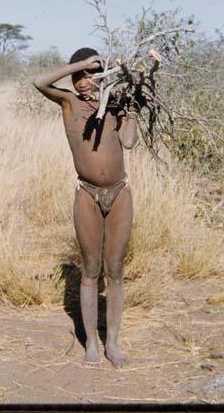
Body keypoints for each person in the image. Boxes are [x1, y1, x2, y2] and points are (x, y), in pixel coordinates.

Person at [33, 47, 139, 367]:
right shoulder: (69, 103)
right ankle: (91, 342)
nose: (82, 82)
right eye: (78, 76)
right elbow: (39, 81)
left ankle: (114, 343)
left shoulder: (116, 105)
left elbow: (130, 142)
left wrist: (131, 107)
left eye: (90, 76)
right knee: (91, 269)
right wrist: (80, 65)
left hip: (119, 193)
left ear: (103, 76)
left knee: (116, 269)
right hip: (87, 194)